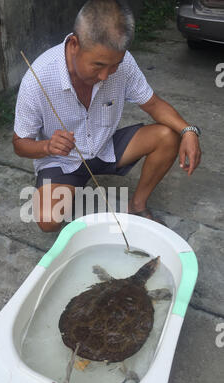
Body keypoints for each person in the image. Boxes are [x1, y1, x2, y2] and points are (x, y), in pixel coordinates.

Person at [13, 0, 201, 233]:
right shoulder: (37, 78)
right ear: (74, 44)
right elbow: (20, 144)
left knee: (169, 135)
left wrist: (188, 131)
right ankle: (70, 184)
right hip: (62, 159)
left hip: (104, 146)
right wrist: (47, 146)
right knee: (47, 221)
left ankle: (137, 206)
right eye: (98, 65)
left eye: (114, 65)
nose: (105, 75)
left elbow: (153, 104)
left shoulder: (123, 63)